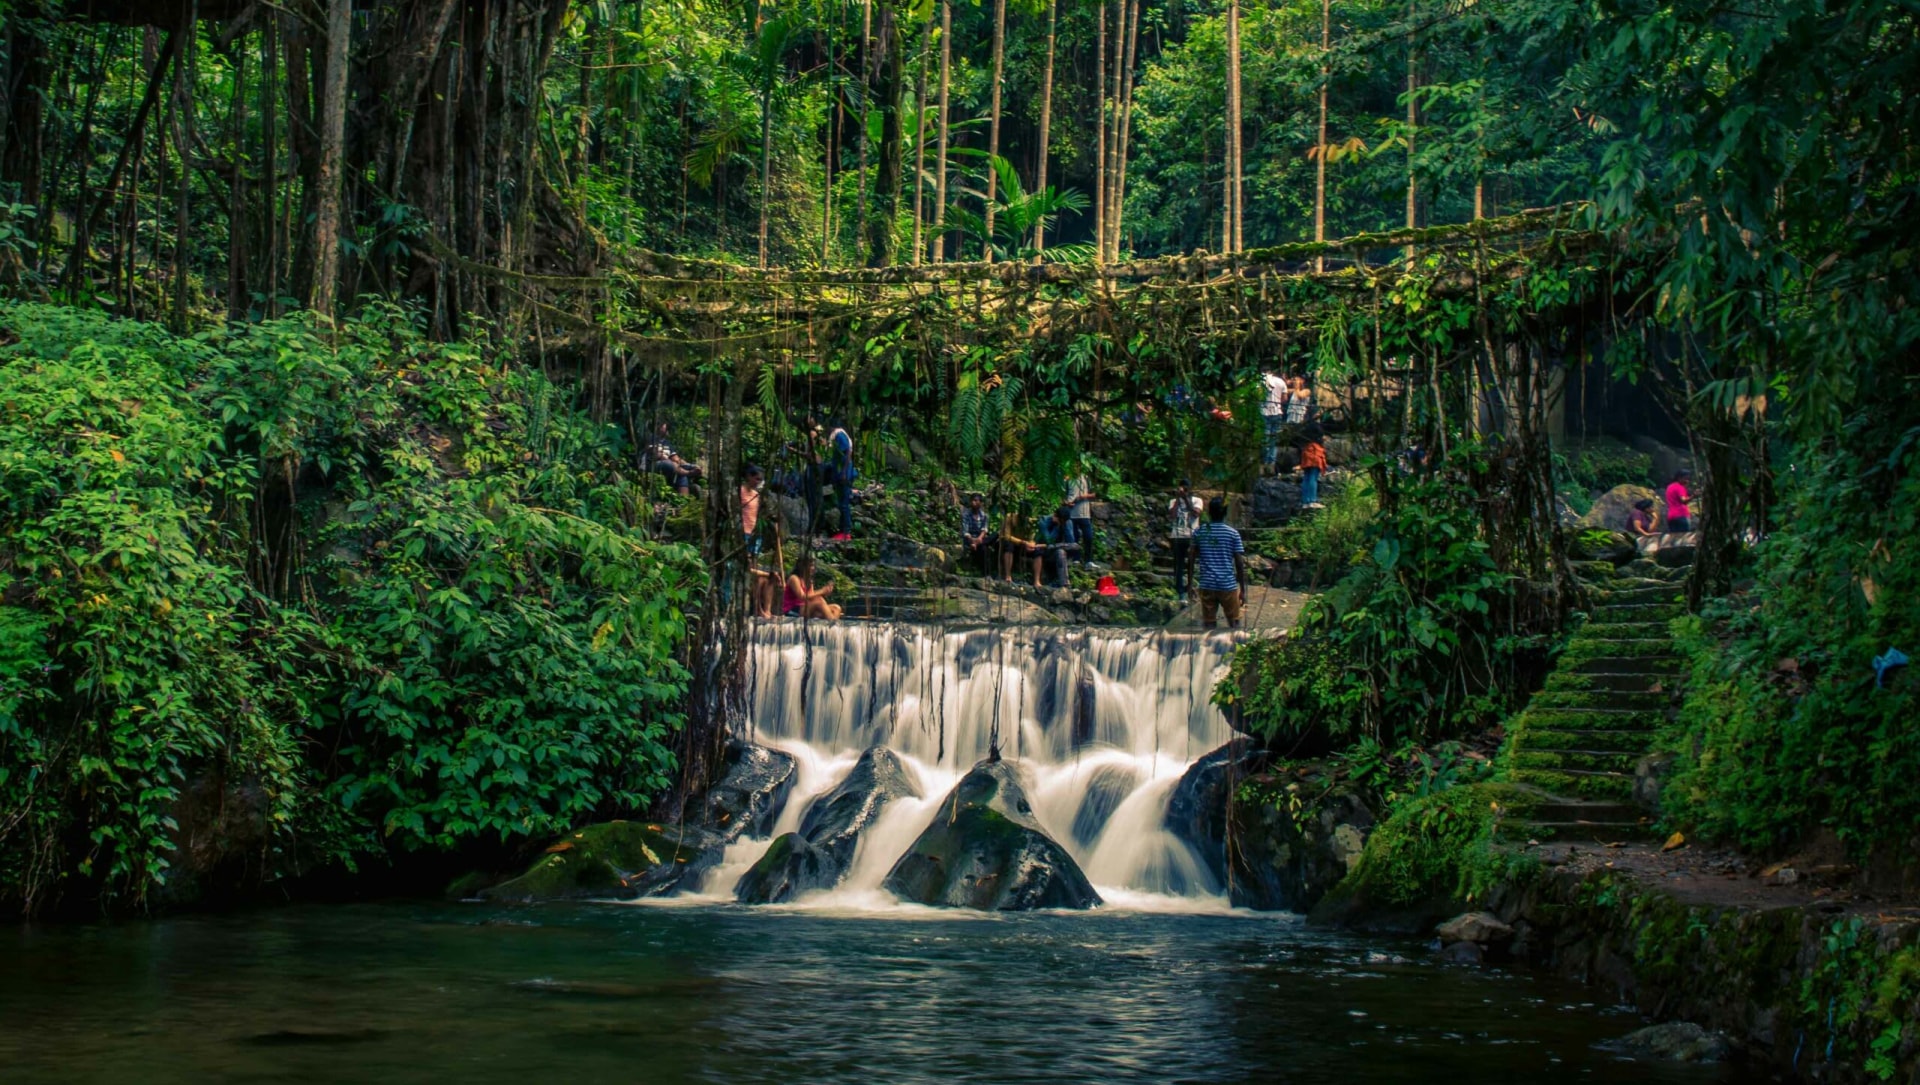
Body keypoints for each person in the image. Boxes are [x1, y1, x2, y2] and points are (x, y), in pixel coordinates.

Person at [1193, 497, 1248, 630]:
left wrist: (1190, 584)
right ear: (1224, 513)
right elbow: (1239, 563)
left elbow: (1190, 559)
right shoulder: (1233, 533)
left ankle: (1207, 648)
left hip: (1207, 584)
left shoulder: (1199, 532)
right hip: (1227, 584)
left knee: (1209, 623)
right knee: (1234, 623)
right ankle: (1234, 648)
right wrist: (1242, 590)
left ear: (1209, 513)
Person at [1167, 478, 1204, 604]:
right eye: (1182, 488)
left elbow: (1195, 514)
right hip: (1177, 536)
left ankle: (1190, 587)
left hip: (1192, 536)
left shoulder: (1197, 500)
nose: (1184, 490)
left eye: (1186, 488)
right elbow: (1171, 515)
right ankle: (1179, 590)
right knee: (1178, 564)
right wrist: (1178, 499)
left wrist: (1186, 499)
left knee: (1191, 563)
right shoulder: (1173, 501)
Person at [648, 422, 702, 494]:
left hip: (671, 464)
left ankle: (683, 500)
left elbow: (675, 457)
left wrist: (689, 465)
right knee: (670, 464)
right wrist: (664, 457)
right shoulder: (651, 438)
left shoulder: (667, 442)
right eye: (664, 426)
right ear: (658, 427)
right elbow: (654, 454)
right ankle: (688, 473)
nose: (666, 428)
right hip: (653, 463)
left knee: (684, 473)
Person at [1037, 505, 1081, 588]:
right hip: (1045, 551)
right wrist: (1058, 527)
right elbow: (1049, 541)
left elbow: (1071, 542)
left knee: (1063, 550)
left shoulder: (1067, 522)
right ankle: (1064, 584)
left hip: (1058, 548)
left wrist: (1065, 526)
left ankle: (1064, 584)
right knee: (1060, 551)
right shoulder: (1044, 521)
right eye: (1061, 520)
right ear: (1055, 515)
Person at [1000, 505, 1044, 586]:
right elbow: (1007, 536)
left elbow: (1031, 537)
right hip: (1011, 542)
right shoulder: (1010, 517)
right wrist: (1023, 542)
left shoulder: (1030, 522)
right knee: (1009, 546)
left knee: (1038, 551)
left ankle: (1037, 581)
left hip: (1023, 545)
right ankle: (1008, 575)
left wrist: (1031, 544)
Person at [826, 420, 856, 540]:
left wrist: (843, 472)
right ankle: (843, 530)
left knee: (844, 504)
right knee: (842, 503)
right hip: (840, 474)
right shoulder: (837, 436)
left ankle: (846, 532)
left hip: (845, 474)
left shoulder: (838, 435)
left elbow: (848, 451)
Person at [1064, 466, 1097, 564]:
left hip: (1084, 513)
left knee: (1088, 537)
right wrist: (1067, 503)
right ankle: (1076, 559)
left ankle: (1088, 560)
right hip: (1071, 513)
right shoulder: (1067, 479)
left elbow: (1094, 494)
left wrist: (1084, 496)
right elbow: (1062, 495)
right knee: (1074, 537)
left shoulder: (1086, 478)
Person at [960, 493, 996, 575]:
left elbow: (984, 530)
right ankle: (987, 574)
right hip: (970, 539)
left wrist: (979, 539)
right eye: (973, 500)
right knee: (983, 549)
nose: (974, 502)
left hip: (980, 539)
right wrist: (973, 540)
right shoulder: (966, 515)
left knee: (995, 534)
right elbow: (965, 531)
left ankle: (977, 545)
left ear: (980, 503)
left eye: (976, 501)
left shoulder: (984, 515)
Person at [1262, 372, 1289, 472]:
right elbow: (1285, 398)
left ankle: (1264, 462)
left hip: (1264, 412)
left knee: (1265, 438)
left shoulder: (1259, 381)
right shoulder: (1280, 381)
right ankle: (1271, 464)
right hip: (1277, 412)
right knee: (1274, 439)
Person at [1298, 428, 1328, 509]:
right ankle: (1312, 500)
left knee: (1306, 478)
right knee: (1313, 478)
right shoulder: (1317, 432)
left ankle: (1305, 502)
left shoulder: (1307, 433)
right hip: (1315, 455)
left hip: (1307, 453)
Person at [741, 465, 766, 555]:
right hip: (743, 531)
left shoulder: (756, 494)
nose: (758, 482)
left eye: (760, 480)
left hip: (755, 531)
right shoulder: (740, 491)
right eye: (757, 479)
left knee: (754, 556)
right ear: (749, 476)